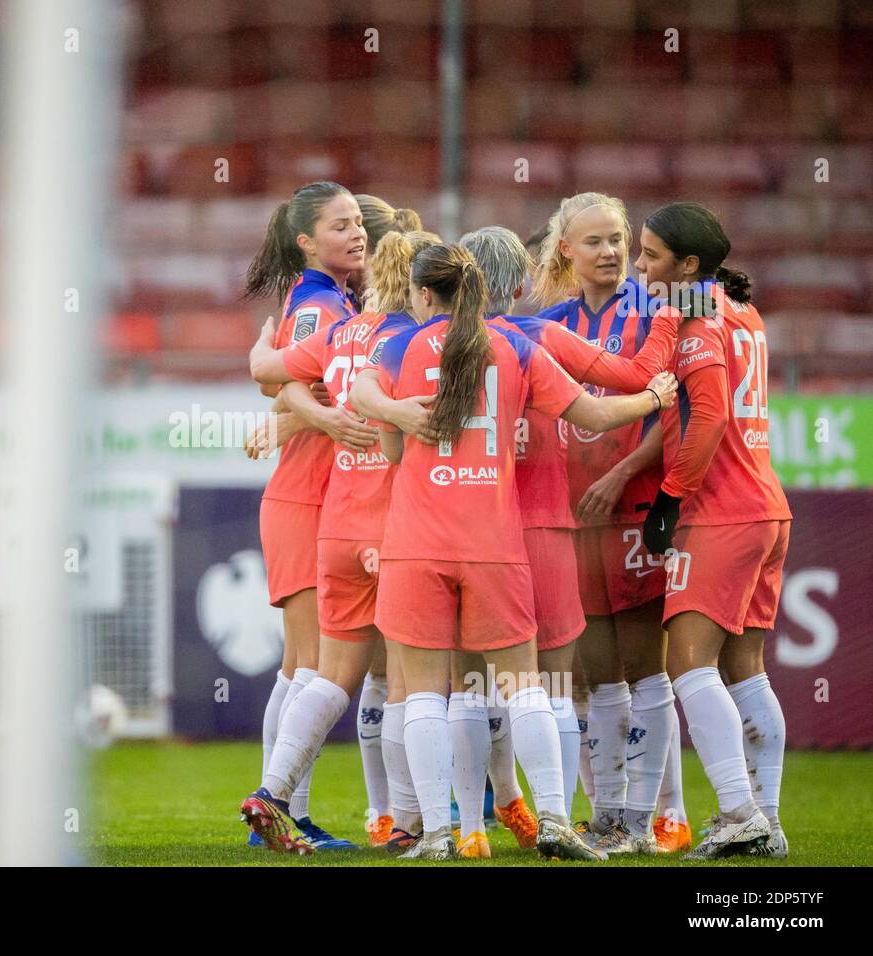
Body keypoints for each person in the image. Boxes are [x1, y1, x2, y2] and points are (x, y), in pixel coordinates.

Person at [358, 243, 675, 861]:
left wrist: (396, 412)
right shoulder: (519, 348)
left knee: (426, 693)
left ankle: (433, 835)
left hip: (416, 542)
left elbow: (374, 415)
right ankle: (556, 821)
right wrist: (653, 399)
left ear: (424, 296)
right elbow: (596, 411)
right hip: (495, 542)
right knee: (527, 687)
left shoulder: (400, 345)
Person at [243, 229, 440, 854]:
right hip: (396, 525)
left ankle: (270, 796)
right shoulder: (416, 340)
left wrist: (262, 356)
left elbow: (272, 373)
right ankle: (408, 822)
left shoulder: (342, 333)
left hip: (339, 522)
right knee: (411, 682)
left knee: (327, 678)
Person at [636, 202, 790, 859]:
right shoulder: (742, 311)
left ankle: (737, 812)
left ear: (689, 265)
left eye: (651, 256)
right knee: (745, 670)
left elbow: (709, 420)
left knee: (687, 666)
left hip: (721, 510)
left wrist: (670, 499)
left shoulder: (698, 315)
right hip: (766, 506)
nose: (640, 266)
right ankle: (767, 823)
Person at [532, 192, 681, 853]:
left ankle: (650, 819)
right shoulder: (552, 322)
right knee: (597, 675)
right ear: (566, 249)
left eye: (618, 238)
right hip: (575, 519)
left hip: (636, 507)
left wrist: (621, 474)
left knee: (647, 669)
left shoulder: (657, 314)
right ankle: (613, 815)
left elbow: (674, 410)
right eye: (594, 241)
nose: (611, 251)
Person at [241, 181, 367, 850]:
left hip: (316, 493)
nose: (356, 233)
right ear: (306, 241)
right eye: (340, 224)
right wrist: (313, 418)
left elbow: (279, 379)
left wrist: (293, 417)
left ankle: (283, 810)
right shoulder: (319, 302)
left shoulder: (336, 298)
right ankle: (283, 808)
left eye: (357, 222)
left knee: (301, 664)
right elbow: (278, 377)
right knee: (313, 663)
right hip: (306, 497)